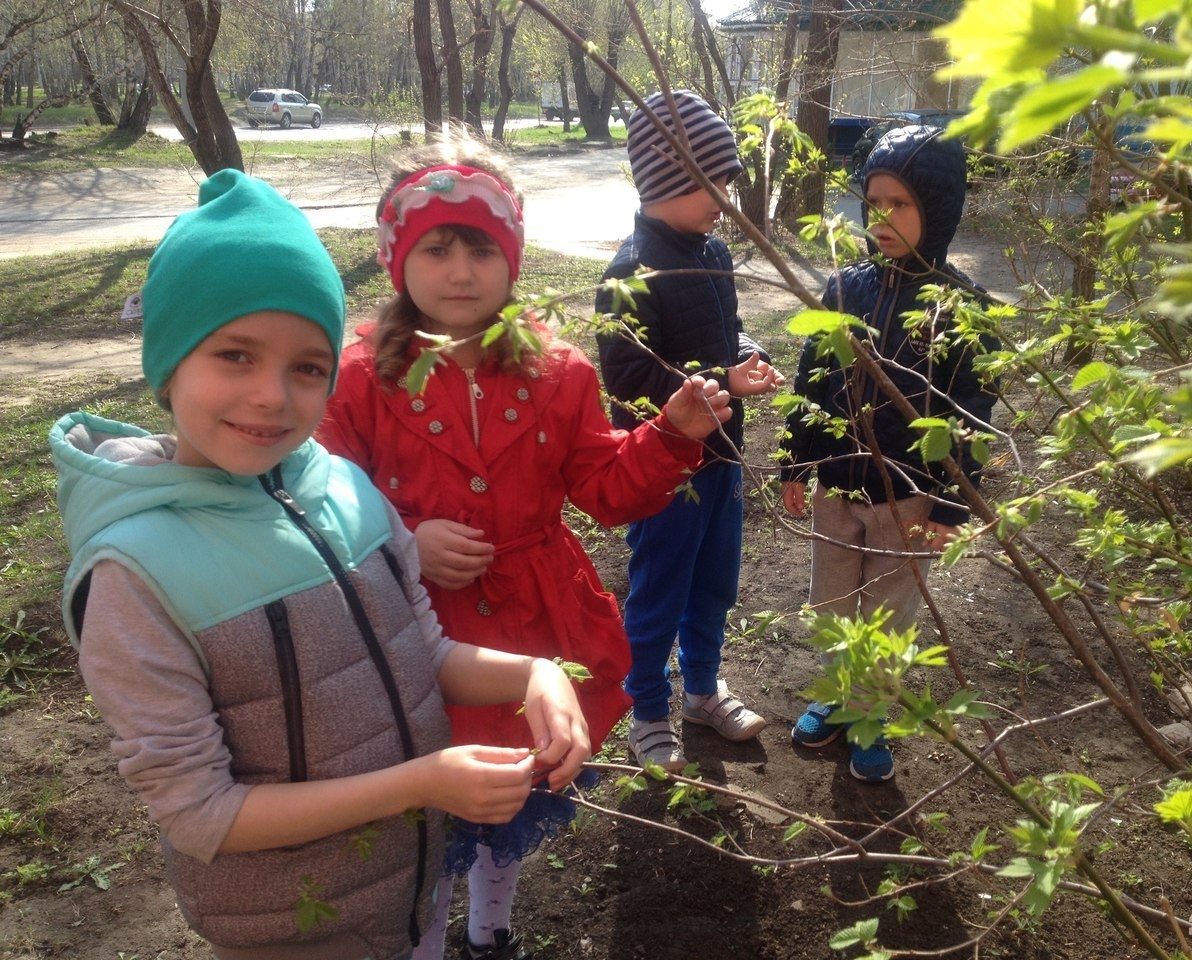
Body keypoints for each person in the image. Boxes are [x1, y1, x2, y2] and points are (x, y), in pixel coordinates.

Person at [49, 169, 591, 960]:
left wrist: (531, 673)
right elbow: (202, 814)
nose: (272, 395)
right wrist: (419, 784)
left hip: (410, 880)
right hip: (291, 924)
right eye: (235, 355)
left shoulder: (343, 488)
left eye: (307, 366)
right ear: (167, 363)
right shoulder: (135, 573)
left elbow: (423, 653)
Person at [315, 139, 733, 960]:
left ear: (511, 259)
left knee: (512, 792)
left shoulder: (560, 373)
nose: (460, 270)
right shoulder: (357, 377)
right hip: (414, 636)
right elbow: (318, 500)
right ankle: (424, 941)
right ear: (398, 258)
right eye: (436, 248)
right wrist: (400, 541)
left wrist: (669, 436)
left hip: (535, 624)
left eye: (480, 248)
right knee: (432, 811)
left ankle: (492, 927)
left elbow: (608, 490)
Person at [779, 124, 997, 782]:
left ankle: (871, 714)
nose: (883, 219)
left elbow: (971, 417)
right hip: (837, 492)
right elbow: (812, 378)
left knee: (888, 610)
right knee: (833, 603)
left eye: (900, 204)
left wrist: (952, 512)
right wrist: (795, 459)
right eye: (873, 204)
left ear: (936, 210)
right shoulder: (844, 289)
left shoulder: (963, 308)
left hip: (907, 500)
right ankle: (837, 696)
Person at [594, 89, 786, 773]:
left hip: (721, 459)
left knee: (714, 585)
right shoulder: (631, 273)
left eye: (729, 178)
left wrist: (746, 352)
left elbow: (725, 327)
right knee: (658, 591)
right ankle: (647, 705)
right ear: (669, 177)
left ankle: (703, 689)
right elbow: (630, 384)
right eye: (715, 180)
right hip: (663, 472)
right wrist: (720, 381)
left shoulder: (710, 252)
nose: (725, 196)